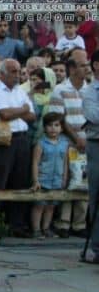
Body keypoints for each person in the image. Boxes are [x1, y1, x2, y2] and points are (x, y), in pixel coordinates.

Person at [0, 59, 37, 236]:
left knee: (20, 182)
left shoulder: (20, 91)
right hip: (3, 141)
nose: (17, 75)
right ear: (2, 73)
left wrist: (18, 111)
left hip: (22, 139)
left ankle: (17, 224)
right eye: (13, 72)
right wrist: (21, 110)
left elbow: (32, 116)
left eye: (18, 71)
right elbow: (4, 114)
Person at [48, 50, 91, 238]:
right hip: (68, 142)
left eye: (87, 64)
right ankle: (63, 223)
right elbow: (58, 118)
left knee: (84, 181)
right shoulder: (60, 90)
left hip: (88, 142)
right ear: (72, 68)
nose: (87, 68)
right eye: (82, 65)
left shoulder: (91, 90)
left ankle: (79, 224)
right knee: (68, 182)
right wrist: (76, 138)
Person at [30, 113, 69, 238]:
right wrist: (36, 180)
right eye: (50, 125)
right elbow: (35, 163)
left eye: (57, 125)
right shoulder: (41, 144)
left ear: (62, 128)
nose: (53, 128)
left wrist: (64, 178)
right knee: (39, 205)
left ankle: (46, 228)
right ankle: (36, 229)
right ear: (45, 127)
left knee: (51, 206)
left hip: (57, 179)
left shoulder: (64, 143)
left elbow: (65, 163)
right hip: (43, 179)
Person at [82, 49, 99, 263]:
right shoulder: (90, 91)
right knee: (97, 195)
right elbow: (94, 116)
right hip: (97, 144)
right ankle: (97, 246)